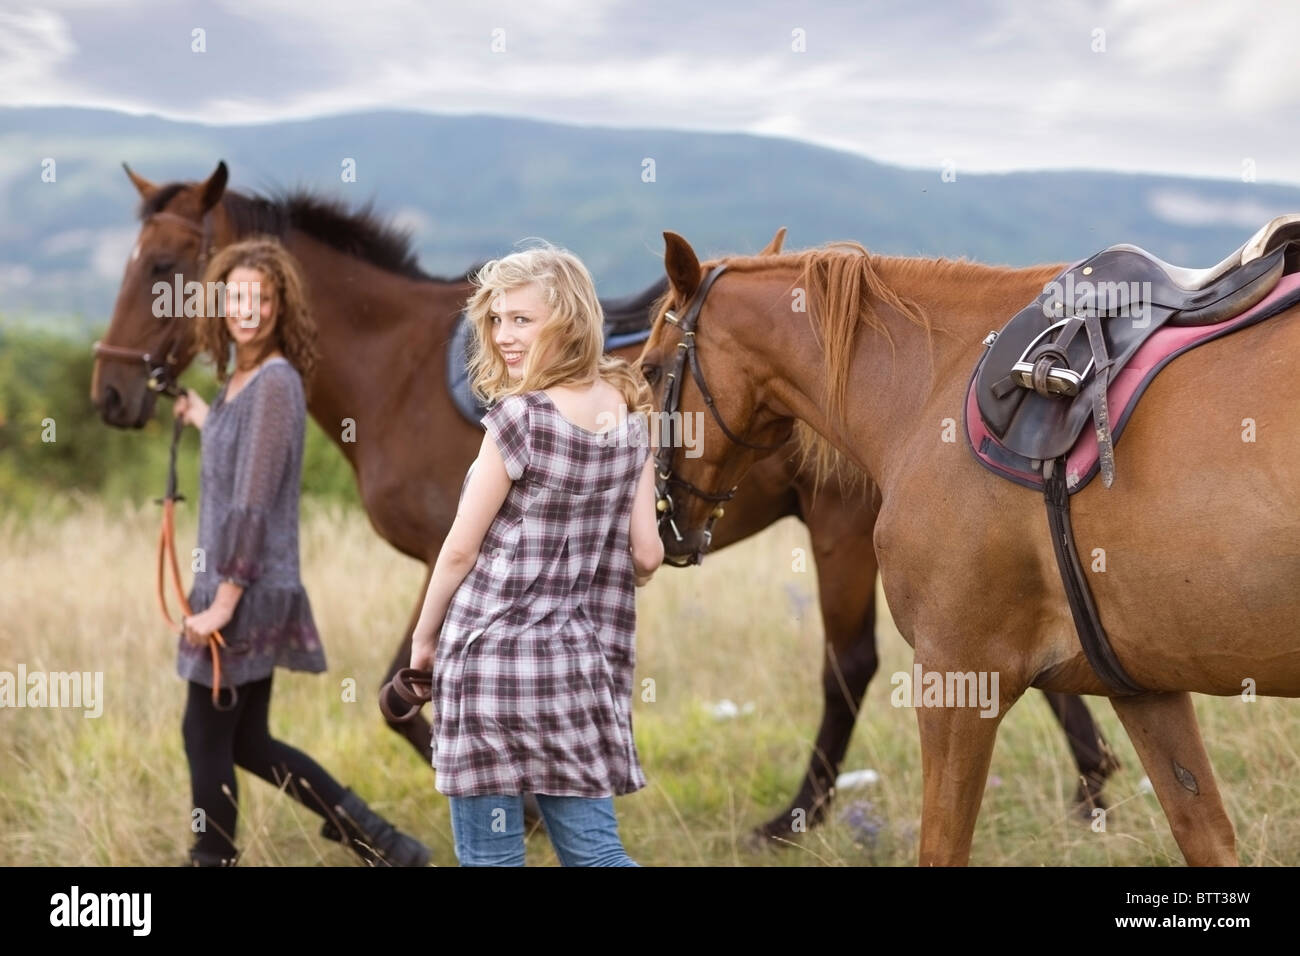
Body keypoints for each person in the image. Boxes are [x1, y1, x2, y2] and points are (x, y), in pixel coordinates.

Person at [173, 236, 430, 867]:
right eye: (238, 297)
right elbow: (243, 454)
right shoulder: (242, 380)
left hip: (247, 587)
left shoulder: (278, 381)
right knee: (247, 740)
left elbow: (254, 501)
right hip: (240, 583)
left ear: (281, 306)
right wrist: (205, 417)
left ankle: (214, 857)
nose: (249, 310)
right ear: (220, 303)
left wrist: (226, 600)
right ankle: (383, 842)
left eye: (262, 298)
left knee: (204, 733)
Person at [409, 242, 664, 866]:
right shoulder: (631, 423)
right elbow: (648, 555)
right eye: (495, 320)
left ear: (569, 319)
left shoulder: (518, 421)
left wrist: (423, 641)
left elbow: (459, 550)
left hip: (489, 669)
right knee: (597, 856)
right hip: (574, 671)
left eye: (522, 319)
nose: (503, 336)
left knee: (493, 859)